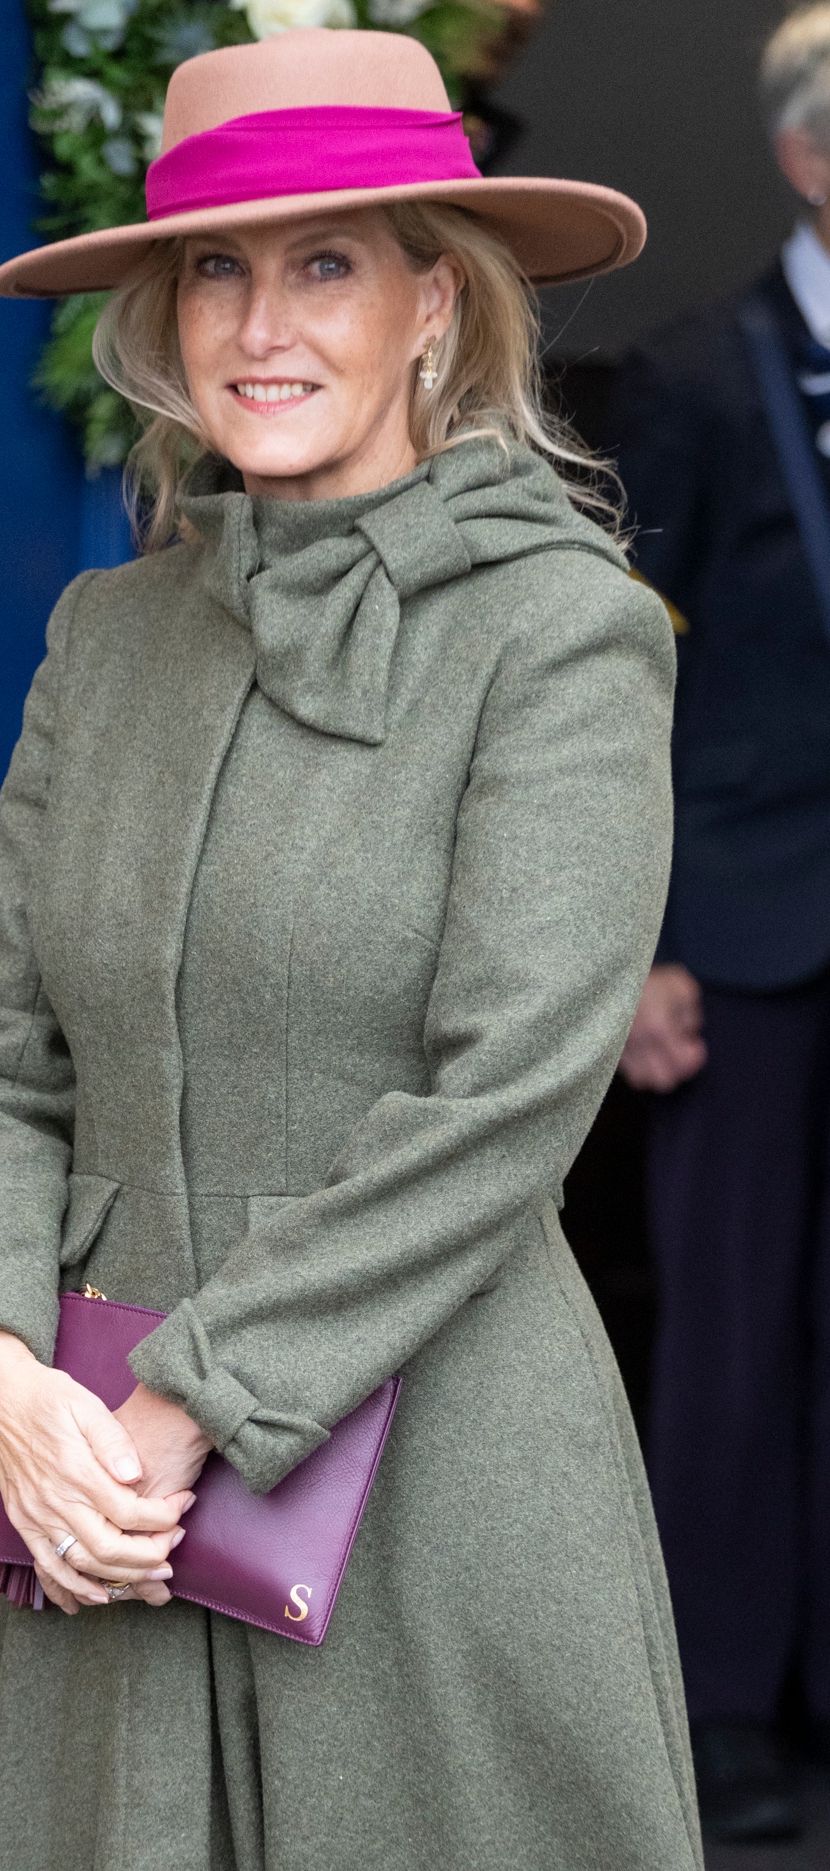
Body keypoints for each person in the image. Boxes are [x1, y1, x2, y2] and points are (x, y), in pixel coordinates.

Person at [0, 29, 700, 1871]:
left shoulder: (561, 635)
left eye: (326, 263)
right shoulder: (109, 637)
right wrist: (4, 1372)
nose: (262, 325)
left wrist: (186, 1403)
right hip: (79, 1517)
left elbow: (507, 1099)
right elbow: (0, 1059)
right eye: (216, 269)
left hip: (429, 1508)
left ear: (434, 301)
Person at [615, 2, 830, 1845]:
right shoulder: (689, 373)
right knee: (731, 1336)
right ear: (804, 157)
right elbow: (618, 694)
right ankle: (715, 1719)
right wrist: (644, 948)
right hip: (741, 938)